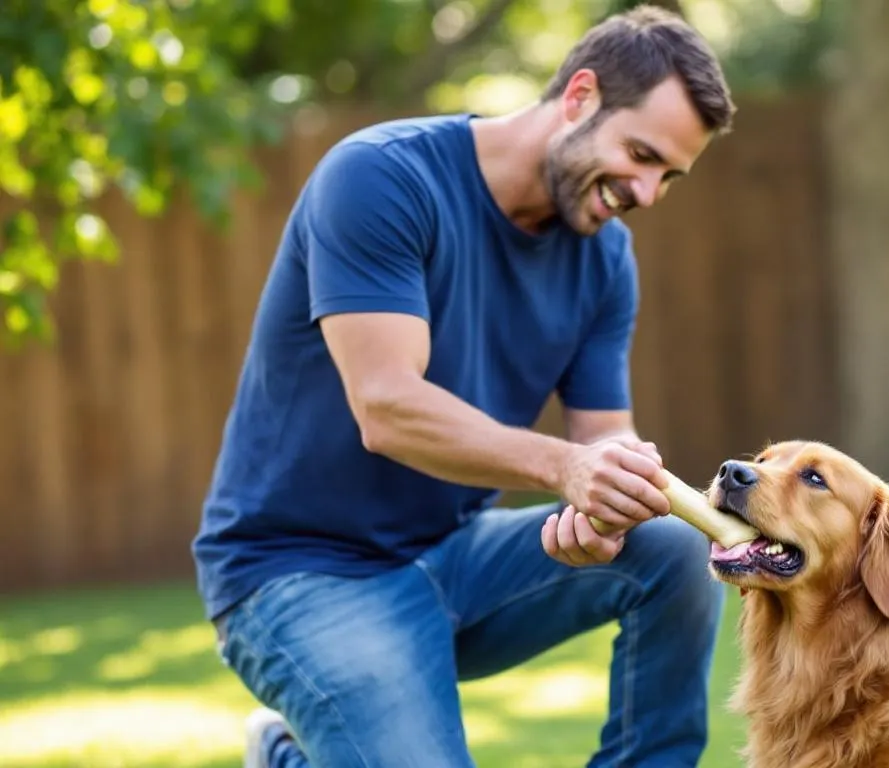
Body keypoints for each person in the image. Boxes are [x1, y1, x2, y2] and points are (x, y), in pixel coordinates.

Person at [190, 6, 736, 767]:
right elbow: (387, 407)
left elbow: (601, 438)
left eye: (669, 174)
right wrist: (566, 470)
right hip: (299, 572)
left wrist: (609, 499)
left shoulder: (604, 259)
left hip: (455, 554)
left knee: (673, 547)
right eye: (641, 154)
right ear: (579, 97)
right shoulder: (383, 178)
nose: (648, 192)